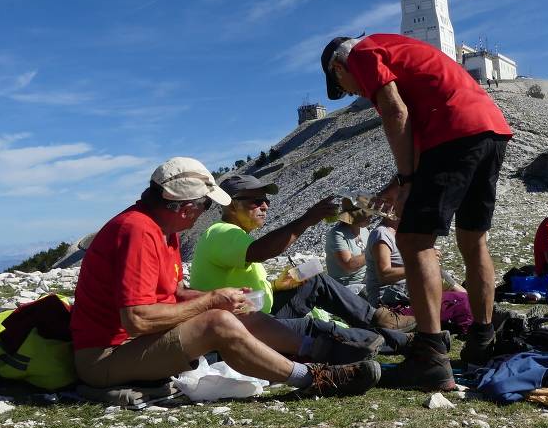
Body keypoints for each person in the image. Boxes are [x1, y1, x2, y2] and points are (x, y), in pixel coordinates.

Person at [69, 158, 380, 397]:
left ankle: (324, 353)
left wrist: (222, 299)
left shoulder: (165, 232)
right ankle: (312, 378)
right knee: (218, 320)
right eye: (204, 205)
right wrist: (211, 301)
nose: (204, 212)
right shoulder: (137, 231)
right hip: (106, 356)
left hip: (137, 344)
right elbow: (136, 319)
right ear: (182, 206)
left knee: (237, 309)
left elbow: (173, 293)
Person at [321, 33, 511, 389]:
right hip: (489, 129)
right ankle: (483, 339)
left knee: (413, 240)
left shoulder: (362, 53)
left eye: (344, 87)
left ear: (337, 67)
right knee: (473, 238)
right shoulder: (400, 51)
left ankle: (431, 355)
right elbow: (421, 138)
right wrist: (398, 184)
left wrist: (408, 181)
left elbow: (396, 112)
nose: (356, 93)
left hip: (453, 132)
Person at [188, 173, 414, 350]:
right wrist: (306, 219)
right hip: (244, 324)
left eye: (265, 200)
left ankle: (380, 319)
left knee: (314, 280)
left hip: (257, 313)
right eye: (255, 201)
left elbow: (245, 277)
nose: (265, 206)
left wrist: (276, 285)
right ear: (230, 205)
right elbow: (259, 252)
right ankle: (399, 342)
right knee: (319, 329)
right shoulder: (221, 232)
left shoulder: (234, 236)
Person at [365, 215, 473, 336]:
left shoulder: (405, 232)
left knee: (451, 287)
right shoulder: (382, 234)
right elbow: (384, 274)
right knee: (461, 301)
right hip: (391, 303)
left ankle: (471, 308)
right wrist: (421, 265)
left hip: (409, 294)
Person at [325, 207, 371, 294]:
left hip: (367, 279)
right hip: (347, 286)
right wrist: (373, 251)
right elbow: (349, 266)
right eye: (367, 214)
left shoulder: (364, 230)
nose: (370, 217)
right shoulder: (337, 234)